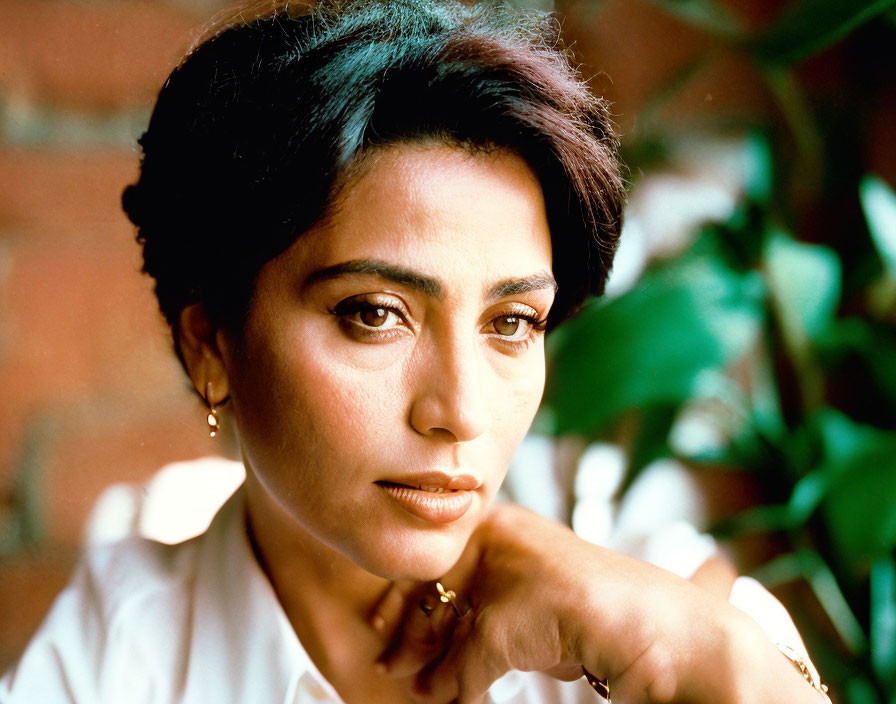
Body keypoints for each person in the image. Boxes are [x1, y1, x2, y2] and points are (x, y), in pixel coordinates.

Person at [0, 0, 832, 702]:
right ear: (212, 343)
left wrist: (686, 656)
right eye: (375, 314)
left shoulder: (661, 601)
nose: (461, 411)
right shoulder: (119, 653)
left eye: (512, 322)